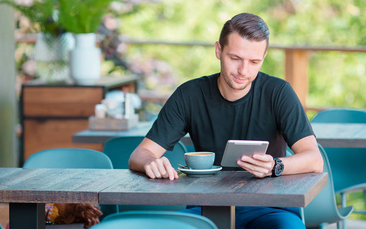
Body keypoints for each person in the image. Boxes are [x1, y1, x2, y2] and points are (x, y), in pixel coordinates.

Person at [128, 12, 323, 228]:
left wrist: (275, 165)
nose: (243, 71)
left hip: (270, 208)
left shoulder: (279, 93)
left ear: (264, 58)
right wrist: (150, 162)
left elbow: (314, 159)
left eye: (254, 62)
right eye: (235, 58)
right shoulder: (189, 95)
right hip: (206, 207)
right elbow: (139, 154)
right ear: (219, 51)